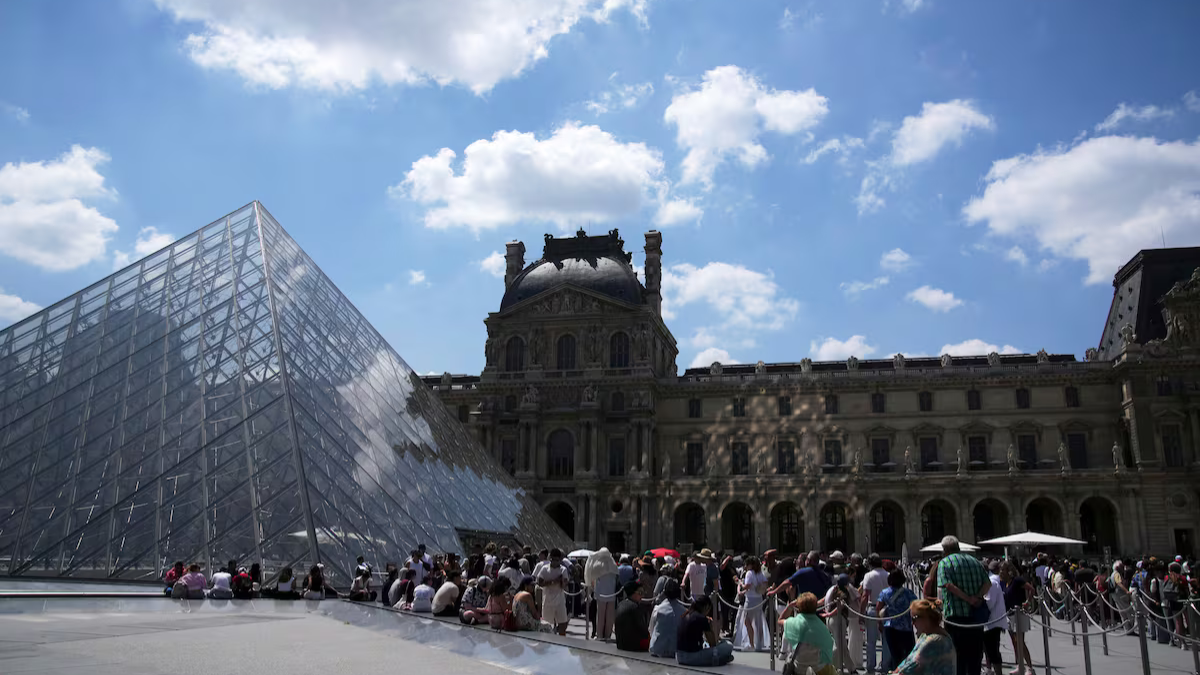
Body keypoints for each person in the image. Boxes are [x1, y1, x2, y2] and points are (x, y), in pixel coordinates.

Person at [935, 536, 990, 675]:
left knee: (957, 657)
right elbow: (987, 583)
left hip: (956, 617)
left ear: (945, 549)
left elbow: (948, 585)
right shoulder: (974, 561)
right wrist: (976, 597)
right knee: (975, 656)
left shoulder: (945, 562)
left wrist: (967, 599)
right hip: (976, 616)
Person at [891, 599, 957, 675]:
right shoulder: (925, 635)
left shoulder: (935, 640)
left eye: (914, 619)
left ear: (925, 618)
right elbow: (906, 662)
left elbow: (910, 669)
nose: (912, 623)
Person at [780, 592, 835, 675]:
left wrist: (790, 606)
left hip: (798, 668)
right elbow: (828, 650)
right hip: (817, 669)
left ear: (798, 607)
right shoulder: (821, 627)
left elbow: (780, 620)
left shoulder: (793, 623)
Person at [677, 595, 736, 667]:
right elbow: (713, 644)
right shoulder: (702, 618)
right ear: (706, 607)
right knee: (728, 646)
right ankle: (721, 659)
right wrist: (709, 626)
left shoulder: (685, 615)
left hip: (679, 656)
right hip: (692, 657)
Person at [877, 569, 918, 670]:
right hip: (906, 628)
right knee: (909, 655)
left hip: (890, 627)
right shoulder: (909, 593)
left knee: (895, 655)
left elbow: (878, 608)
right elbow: (916, 607)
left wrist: (880, 624)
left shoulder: (884, 593)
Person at [823, 573, 863, 673]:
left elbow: (824, 600)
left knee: (842, 646)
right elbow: (840, 606)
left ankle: (851, 669)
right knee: (838, 646)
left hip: (831, 620)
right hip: (838, 619)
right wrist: (829, 614)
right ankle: (832, 667)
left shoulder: (832, 589)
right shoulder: (843, 592)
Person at [1000, 562, 1034, 675]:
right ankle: (1020, 666)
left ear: (1009, 571)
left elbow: (1031, 589)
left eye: (1003, 570)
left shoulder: (1017, 581)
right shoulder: (1005, 584)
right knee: (1015, 642)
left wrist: (1028, 602)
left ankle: (1029, 667)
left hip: (1019, 614)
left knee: (1020, 642)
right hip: (1009, 615)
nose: (1001, 572)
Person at [861, 553, 891, 673]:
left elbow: (865, 595)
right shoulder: (888, 575)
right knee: (885, 641)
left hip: (873, 608)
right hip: (887, 609)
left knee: (871, 640)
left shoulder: (868, 575)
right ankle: (885, 666)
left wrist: (861, 613)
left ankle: (870, 666)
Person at [734, 555, 770, 652]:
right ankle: (760, 643)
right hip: (759, 598)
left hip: (750, 599)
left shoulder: (749, 573)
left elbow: (747, 586)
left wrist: (740, 584)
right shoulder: (760, 573)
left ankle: (751, 643)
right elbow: (766, 582)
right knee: (758, 621)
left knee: (747, 621)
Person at [768, 550, 832, 601]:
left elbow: (787, 582)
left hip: (805, 607)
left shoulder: (802, 572)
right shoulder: (824, 574)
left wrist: (774, 592)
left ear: (809, 561)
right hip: (819, 607)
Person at [586, 548, 620, 640]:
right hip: (611, 594)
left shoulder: (597, 565)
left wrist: (591, 590)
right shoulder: (612, 564)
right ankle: (607, 634)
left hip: (601, 594)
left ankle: (600, 634)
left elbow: (591, 578)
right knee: (609, 616)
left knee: (600, 616)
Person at [649, 578, 687, 658]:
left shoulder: (657, 609)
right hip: (676, 650)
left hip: (657, 649)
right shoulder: (684, 611)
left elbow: (651, 629)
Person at [537, 548, 570, 635]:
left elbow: (564, 585)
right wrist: (553, 581)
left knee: (562, 624)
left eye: (557, 560)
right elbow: (540, 582)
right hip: (547, 601)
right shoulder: (544, 569)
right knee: (546, 625)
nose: (555, 562)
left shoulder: (563, 570)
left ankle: (562, 644)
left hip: (560, 601)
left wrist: (563, 581)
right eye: (553, 560)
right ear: (550, 559)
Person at [982, 562, 1007, 675]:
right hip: (990, 623)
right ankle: (989, 670)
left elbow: (989, 604)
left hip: (993, 623)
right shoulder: (988, 582)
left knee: (993, 650)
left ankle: (998, 672)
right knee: (988, 649)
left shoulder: (991, 583)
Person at [615, 581, 650, 651]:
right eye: (640, 593)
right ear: (632, 594)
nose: (642, 596)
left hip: (620, 645)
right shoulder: (635, 608)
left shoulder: (620, 604)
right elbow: (643, 631)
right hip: (634, 647)